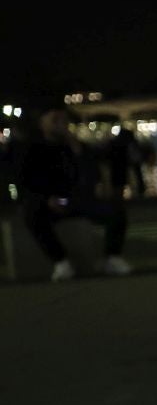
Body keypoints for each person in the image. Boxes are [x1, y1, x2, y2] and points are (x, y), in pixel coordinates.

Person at [19, 108, 132, 281]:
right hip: (49, 201)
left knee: (116, 211)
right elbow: (27, 181)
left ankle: (112, 257)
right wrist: (46, 198)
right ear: (42, 124)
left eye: (64, 120)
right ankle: (61, 261)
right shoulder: (32, 148)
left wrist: (78, 152)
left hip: (76, 199)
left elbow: (92, 174)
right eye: (55, 120)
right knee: (32, 214)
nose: (61, 125)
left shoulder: (74, 146)